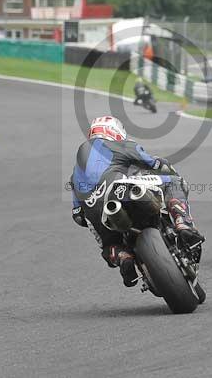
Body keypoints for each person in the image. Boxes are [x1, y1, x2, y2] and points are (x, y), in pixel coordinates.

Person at [70, 116, 204, 287]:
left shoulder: (75, 171)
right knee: (174, 182)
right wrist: (165, 166)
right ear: (115, 131)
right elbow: (154, 164)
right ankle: (182, 222)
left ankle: (122, 256)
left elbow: (78, 215)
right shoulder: (119, 145)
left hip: (94, 210)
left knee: (109, 244)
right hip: (121, 190)